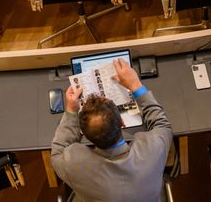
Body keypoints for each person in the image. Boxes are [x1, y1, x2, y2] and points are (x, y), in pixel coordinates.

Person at [51, 57, 172, 202]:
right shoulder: (153, 150)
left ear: (86, 136)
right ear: (121, 122)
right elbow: (161, 124)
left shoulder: (73, 166)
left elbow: (57, 152)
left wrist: (71, 111)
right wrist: (135, 86)